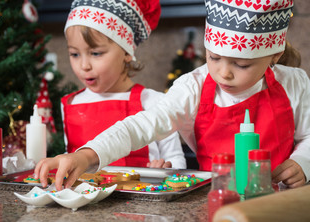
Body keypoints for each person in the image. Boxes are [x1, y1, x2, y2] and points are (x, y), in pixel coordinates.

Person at [36, 0, 310, 190]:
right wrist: (85, 156)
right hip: (212, 199)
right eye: (214, 58)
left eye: (241, 64)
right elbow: (140, 126)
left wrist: (302, 163)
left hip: (280, 200)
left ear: (274, 54)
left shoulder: (293, 83)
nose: (223, 73)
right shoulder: (193, 87)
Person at [57, 0, 186, 169]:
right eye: (74, 54)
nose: (84, 66)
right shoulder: (71, 104)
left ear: (126, 52)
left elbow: (176, 159)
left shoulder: (154, 102)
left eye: (96, 53)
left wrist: (167, 169)